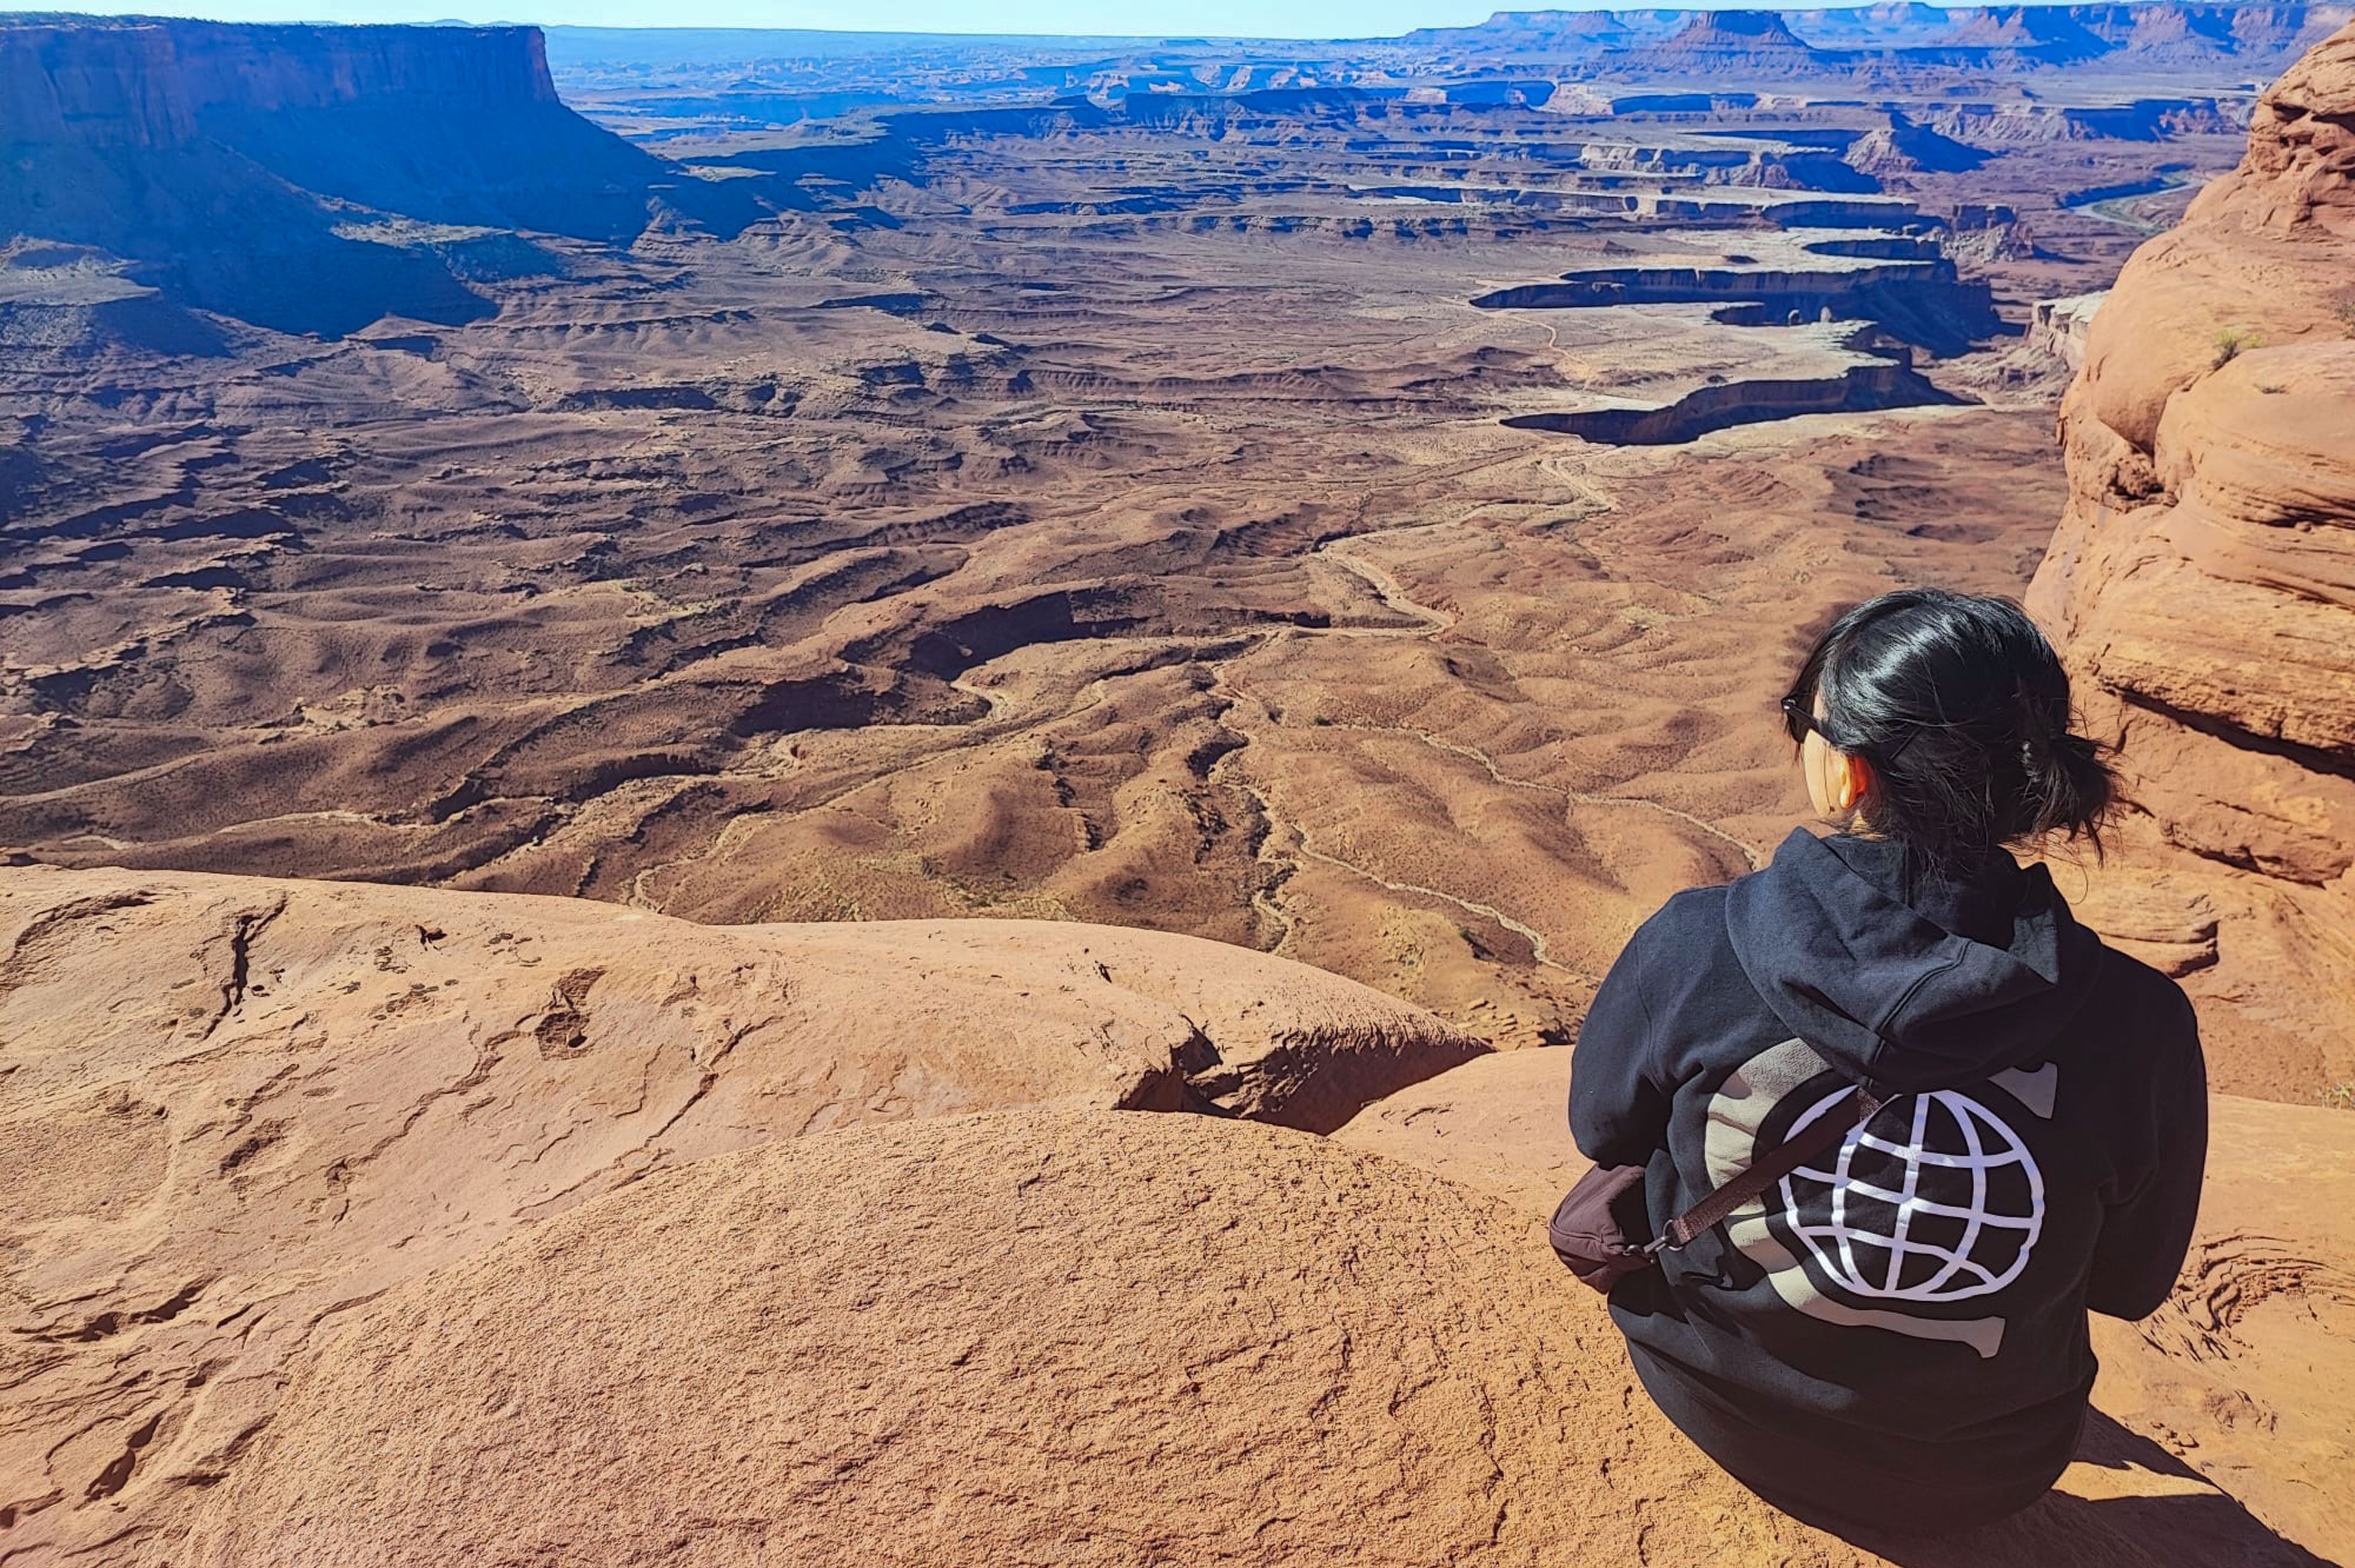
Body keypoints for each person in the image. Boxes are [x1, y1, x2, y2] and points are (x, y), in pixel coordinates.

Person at [1569, 587, 2207, 1537]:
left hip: (1722, 1401)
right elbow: (2129, 1281)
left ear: (1850, 773)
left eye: (1802, 718)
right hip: (1985, 1468)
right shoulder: (2141, 1020)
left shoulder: (1693, 946)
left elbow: (1604, 1129)